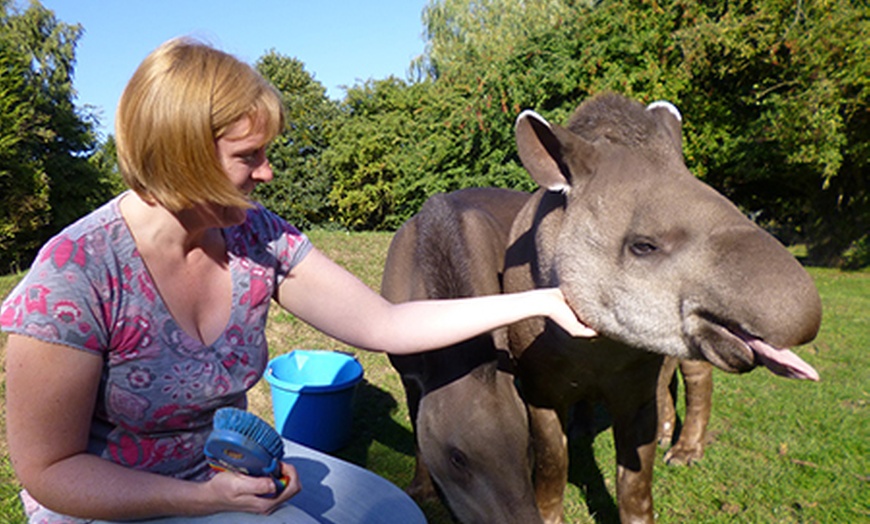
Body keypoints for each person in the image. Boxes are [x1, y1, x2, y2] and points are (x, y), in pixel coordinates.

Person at [1, 37, 595, 523]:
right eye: (250, 156)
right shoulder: (74, 278)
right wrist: (201, 500)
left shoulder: (256, 236)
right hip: (111, 498)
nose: (269, 171)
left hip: (221, 465)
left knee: (393, 515)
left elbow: (382, 322)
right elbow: (49, 471)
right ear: (182, 155)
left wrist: (543, 299)